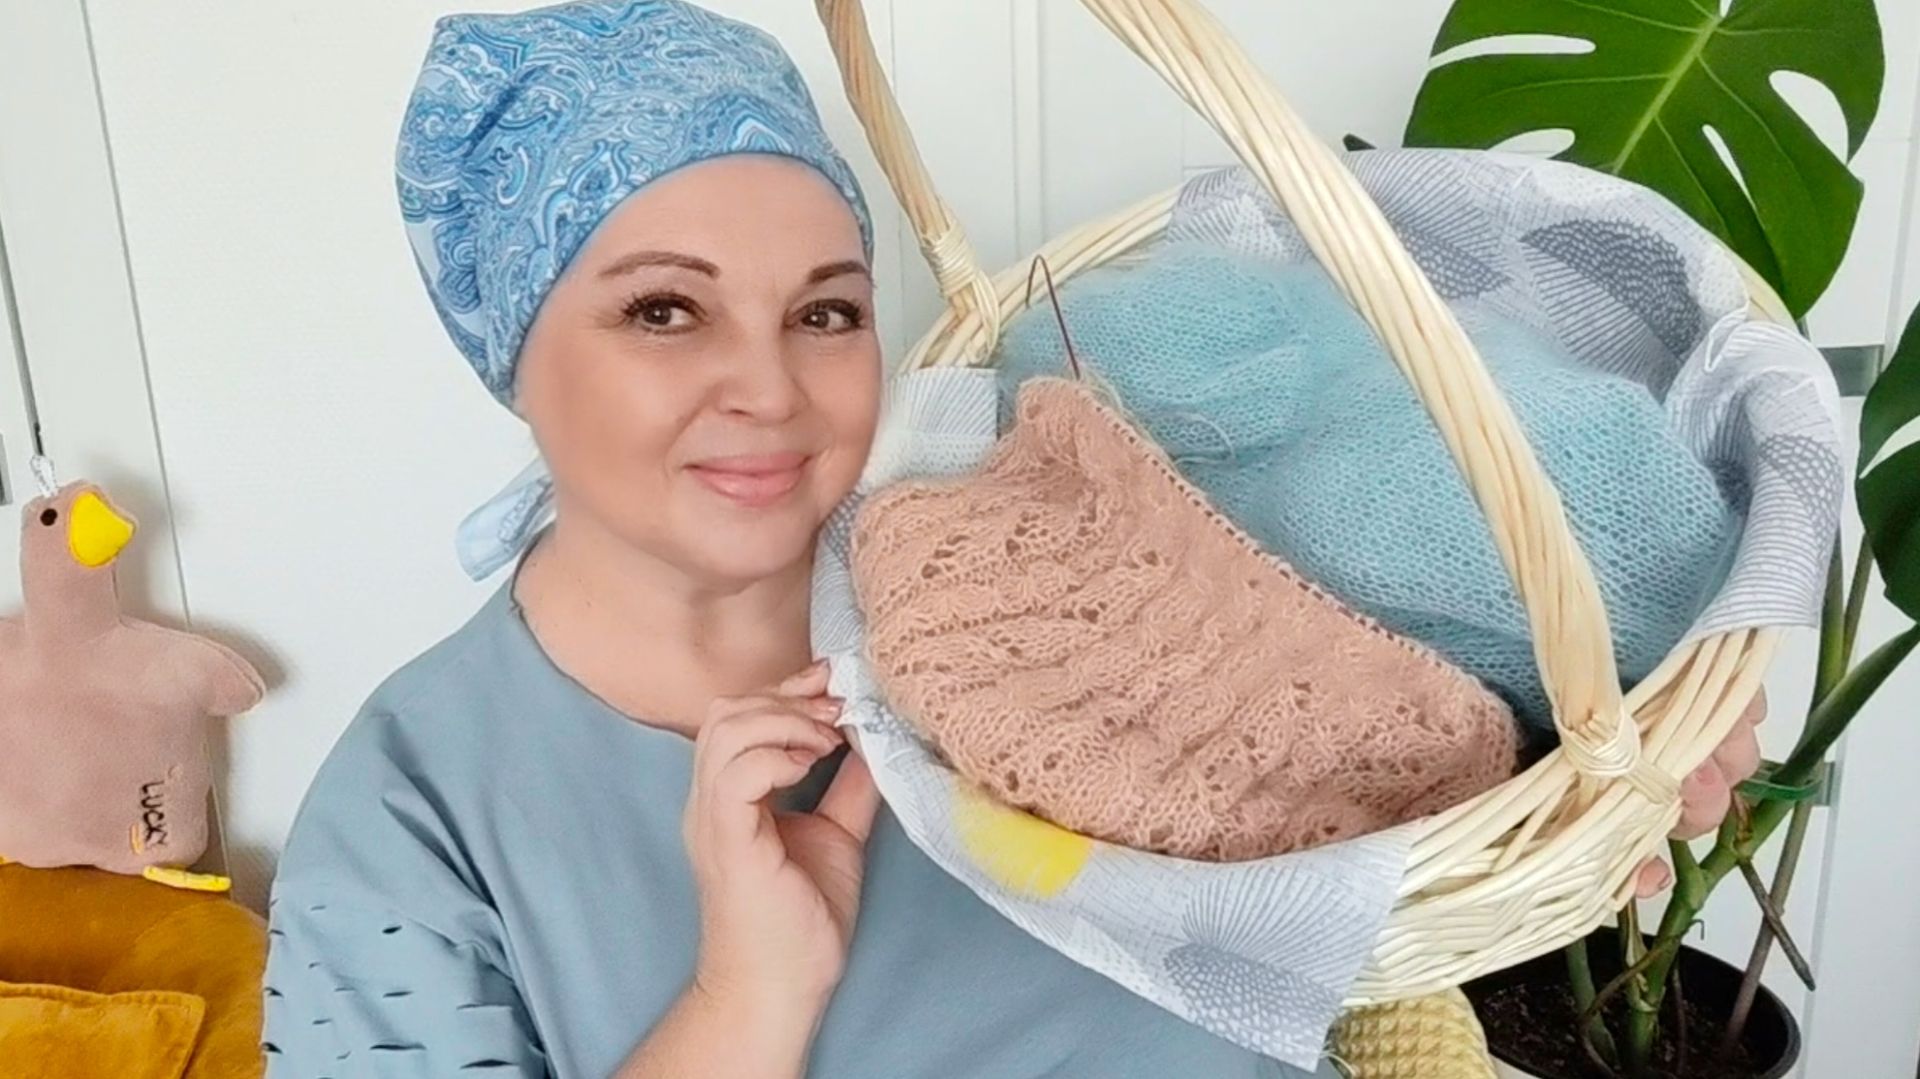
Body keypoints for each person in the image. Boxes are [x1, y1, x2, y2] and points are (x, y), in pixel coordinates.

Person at [261, 3, 1762, 1077]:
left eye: (825, 311)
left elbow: (1411, 737)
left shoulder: (1031, 545)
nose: (769, 389)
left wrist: (1627, 752)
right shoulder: (409, 817)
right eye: (665, 310)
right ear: (511, 348)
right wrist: (745, 999)